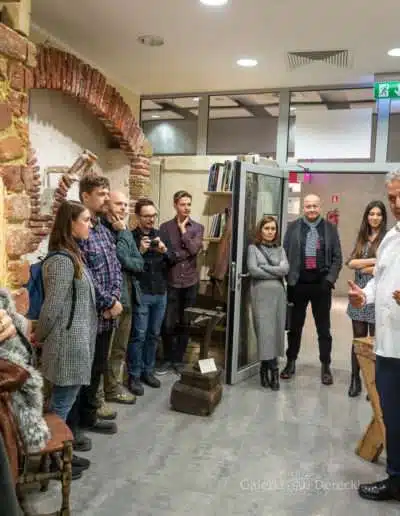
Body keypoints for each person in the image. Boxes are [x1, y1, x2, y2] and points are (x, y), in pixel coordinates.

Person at [348, 170, 400, 503]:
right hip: (388, 345)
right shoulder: (391, 238)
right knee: (391, 415)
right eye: (392, 197)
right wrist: (363, 296)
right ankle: (396, 479)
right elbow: (380, 280)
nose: (396, 203)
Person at [35, 200, 96, 479]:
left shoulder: (73, 255)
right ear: (70, 223)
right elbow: (51, 308)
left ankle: (61, 452)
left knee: (64, 403)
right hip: (65, 345)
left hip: (75, 342)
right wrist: (39, 337)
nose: (90, 225)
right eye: (86, 220)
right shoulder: (61, 261)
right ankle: (54, 459)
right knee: (60, 405)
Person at [67, 175, 122, 447]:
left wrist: (115, 299)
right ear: (85, 196)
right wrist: (107, 302)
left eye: (107, 193)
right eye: (101, 194)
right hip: (90, 315)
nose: (106, 198)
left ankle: (89, 417)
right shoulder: (78, 230)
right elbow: (85, 274)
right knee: (81, 372)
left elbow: (115, 266)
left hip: (108, 315)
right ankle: (73, 428)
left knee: (98, 368)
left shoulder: (102, 228)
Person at [282, 194, 342, 385]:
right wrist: (288, 279)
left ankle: (325, 366)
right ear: (303, 208)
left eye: (315, 206)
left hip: (321, 285)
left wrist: (329, 280)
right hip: (298, 284)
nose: (312, 209)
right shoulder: (293, 228)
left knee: (323, 329)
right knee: (295, 327)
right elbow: (284, 253)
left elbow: (337, 258)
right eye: (308, 206)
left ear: (320, 207)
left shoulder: (330, 228)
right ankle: (290, 362)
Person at [127, 198, 174, 396]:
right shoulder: (130, 237)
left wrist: (164, 250)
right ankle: (134, 376)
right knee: (139, 335)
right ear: (138, 217)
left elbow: (172, 261)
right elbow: (128, 265)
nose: (151, 219)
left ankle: (148, 371)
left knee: (154, 334)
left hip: (160, 292)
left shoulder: (161, 235)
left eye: (153, 215)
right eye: (146, 216)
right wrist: (140, 251)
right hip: (142, 292)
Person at [101, 191, 143, 405]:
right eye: (119, 204)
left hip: (127, 297)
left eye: (126, 204)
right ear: (107, 204)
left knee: (119, 349)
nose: (124, 208)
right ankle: (100, 393)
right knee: (104, 352)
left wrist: (124, 234)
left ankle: (113, 387)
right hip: (110, 301)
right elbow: (120, 258)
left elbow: (138, 263)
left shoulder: (123, 231)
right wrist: (124, 234)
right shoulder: (101, 230)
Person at [158, 190, 204, 374]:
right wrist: (179, 254)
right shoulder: (165, 227)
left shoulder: (197, 228)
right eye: (183, 204)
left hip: (190, 282)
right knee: (168, 323)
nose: (186, 208)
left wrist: (184, 231)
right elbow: (165, 255)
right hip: (172, 281)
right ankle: (168, 358)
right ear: (175, 205)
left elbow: (194, 250)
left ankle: (178, 360)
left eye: (189, 204)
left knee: (186, 322)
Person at [346, 200, 387, 397]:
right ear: (366, 216)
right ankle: (355, 379)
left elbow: (384, 266)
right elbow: (350, 263)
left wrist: (364, 266)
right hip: (358, 293)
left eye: (378, 214)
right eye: (371, 214)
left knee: (374, 342)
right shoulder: (362, 236)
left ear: (383, 217)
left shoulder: (387, 238)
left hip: (378, 293)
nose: (374, 217)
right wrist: (372, 261)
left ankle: (373, 384)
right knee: (358, 339)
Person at [247, 216, 289, 390]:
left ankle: (265, 369)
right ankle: (273, 370)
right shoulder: (253, 248)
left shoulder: (280, 249)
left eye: (273, 228)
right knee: (265, 333)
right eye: (267, 228)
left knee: (276, 332)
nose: (270, 232)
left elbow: (285, 269)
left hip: (278, 296)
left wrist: (265, 267)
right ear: (260, 230)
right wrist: (275, 271)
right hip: (260, 296)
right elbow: (253, 270)